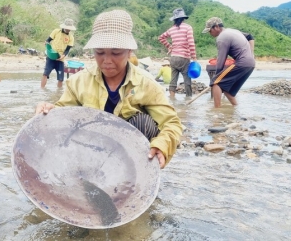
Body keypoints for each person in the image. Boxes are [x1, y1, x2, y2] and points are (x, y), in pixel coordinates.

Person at [35, 9, 183, 169]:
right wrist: (51, 111)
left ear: (129, 52)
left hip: (128, 156)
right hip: (89, 148)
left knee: (143, 122)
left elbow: (172, 123)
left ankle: (133, 176)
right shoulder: (78, 81)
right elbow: (64, 113)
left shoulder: (146, 83)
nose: (107, 60)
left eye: (116, 53)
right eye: (99, 52)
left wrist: (162, 145)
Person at [202, 17, 255, 108]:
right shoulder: (233, 31)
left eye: (210, 30)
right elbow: (250, 37)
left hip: (242, 63)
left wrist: (216, 78)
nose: (210, 33)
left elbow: (221, 60)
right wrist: (251, 54)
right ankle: (235, 108)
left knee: (216, 82)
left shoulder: (222, 38)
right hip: (251, 64)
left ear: (216, 27)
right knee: (227, 90)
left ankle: (216, 111)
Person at [158, 8, 197, 98]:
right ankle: (188, 99)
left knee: (173, 80)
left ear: (174, 19)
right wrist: (194, 58)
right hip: (184, 58)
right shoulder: (188, 27)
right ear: (183, 18)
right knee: (187, 80)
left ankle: (172, 99)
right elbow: (191, 43)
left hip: (173, 58)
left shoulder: (171, 29)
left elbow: (161, 38)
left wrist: (169, 46)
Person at [41, 18, 76, 88]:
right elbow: (48, 40)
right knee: (45, 74)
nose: (68, 29)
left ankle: (59, 93)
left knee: (60, 78)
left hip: (60, 60)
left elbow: (67, 49)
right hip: (51, 57)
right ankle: (42, 89)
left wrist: (63, 56)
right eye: (67, 28)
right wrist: (47, 44)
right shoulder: (56, 31)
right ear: (64, 26)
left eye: (69, 28)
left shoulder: (71, 37)